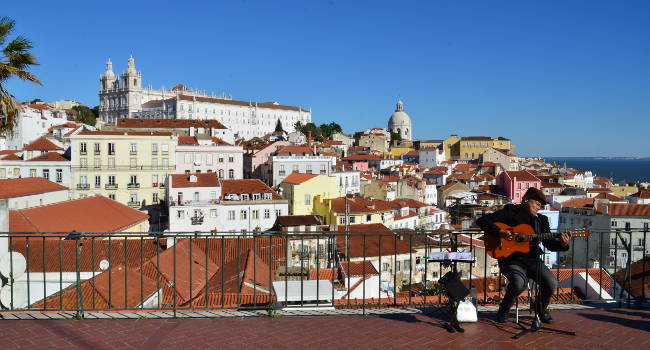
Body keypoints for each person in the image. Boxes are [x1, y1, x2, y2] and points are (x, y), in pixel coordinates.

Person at [476, 187, 570, 324]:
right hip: (510, 259)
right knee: (520, 283)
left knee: (551, 282)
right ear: (526, 200)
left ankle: (541, 309)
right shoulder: (510, 212)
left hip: (532, 259)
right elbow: (482, 221)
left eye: (541, 205)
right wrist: (500, 232)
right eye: (537, 204)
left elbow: (549, 243)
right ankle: (504, 309)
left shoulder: (541, 220)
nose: (539, 207)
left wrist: (563, 244)